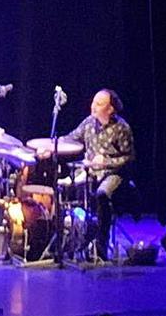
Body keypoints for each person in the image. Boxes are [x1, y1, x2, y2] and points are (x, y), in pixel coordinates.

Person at [58, 88, 135, 260]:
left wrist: (105, 162)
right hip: (90, 172)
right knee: (64, 186)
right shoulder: (88, 123)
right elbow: (71, 138)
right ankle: (66, 242)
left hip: (114, 174)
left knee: (102, 193)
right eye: (93, 102)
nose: (93, 107)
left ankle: (101, 246)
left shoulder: (122, 128)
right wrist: (50, 146)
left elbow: (129, 158)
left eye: (99, 104)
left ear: (110, 109)